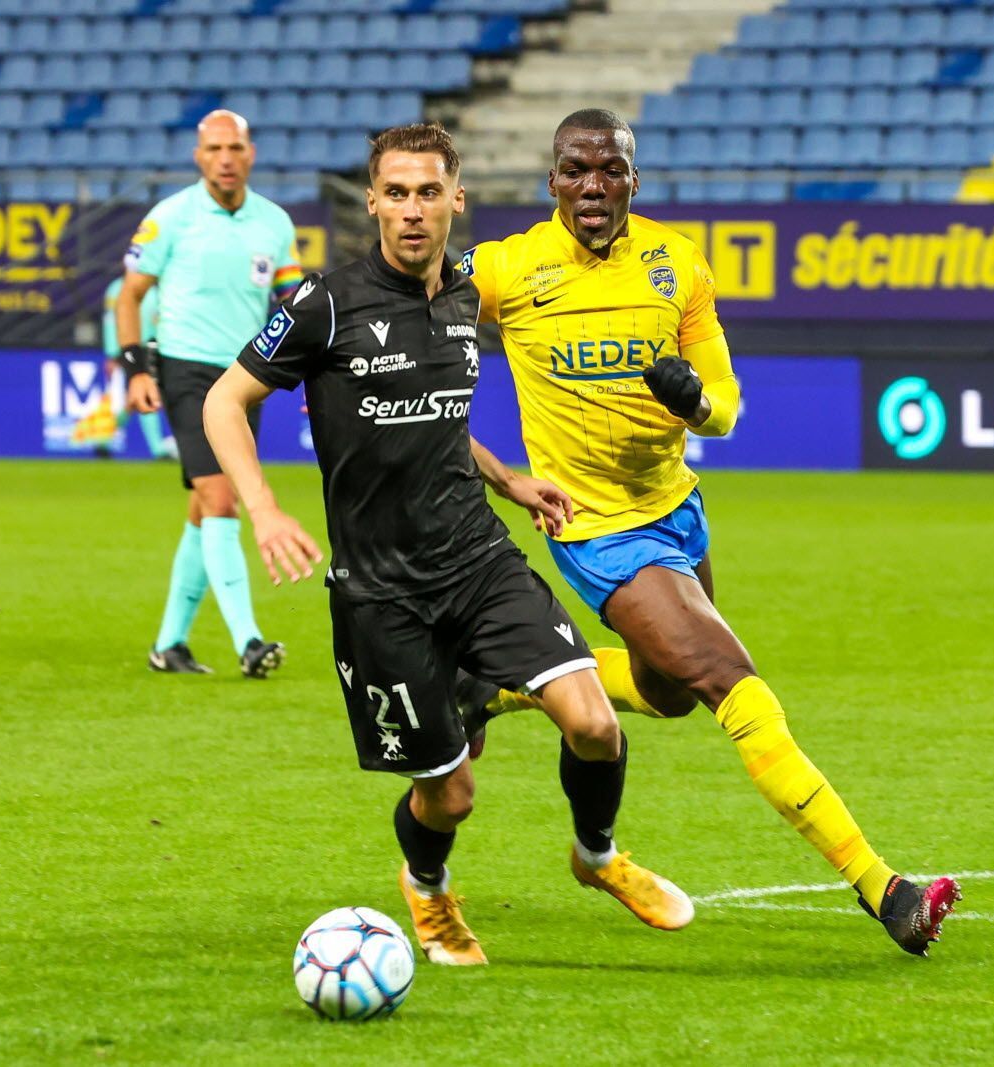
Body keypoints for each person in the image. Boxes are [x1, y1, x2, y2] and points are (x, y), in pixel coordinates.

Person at [458, 109, 960, 956]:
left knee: (665, 692)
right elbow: (403, 331)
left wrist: (693, 401)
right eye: (576, 170)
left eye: (609, 170)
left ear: (632, 182)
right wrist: (490, 467)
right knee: (731, 680)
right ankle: (885, 888)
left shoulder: (675, 263)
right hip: (597, 530)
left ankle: (496, 685)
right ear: (551, 181)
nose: (592, 185)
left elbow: (726, 405)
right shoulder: (504, 270)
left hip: (675, 509)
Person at [202, 123, 694, 967]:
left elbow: (438, 418)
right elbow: (223, 402)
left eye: (429, 192)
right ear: (372, 203)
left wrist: (510, 481)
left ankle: (597, 854)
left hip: (475, 557)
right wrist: (266, 510)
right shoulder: (323, 305)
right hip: (381, 592)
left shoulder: (467, 293)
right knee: (451, 792)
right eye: (396, 193)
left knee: (595, 722)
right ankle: (427, 892)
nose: (413, 210)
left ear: (456, 200)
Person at [116, 109, 300, 678]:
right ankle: (249, 641)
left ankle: (169, 644)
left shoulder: (275, 222)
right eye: (215, 148)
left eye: (235, 148)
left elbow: (294, 302)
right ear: (199, 156)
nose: (225, 158)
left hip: (247, 379)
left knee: (204, 509)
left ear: (250, 154)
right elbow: (130, 296)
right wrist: (137, 369)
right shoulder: (169, 218)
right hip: (186, 371)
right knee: (223, 499)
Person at [101, 280, 176, 460]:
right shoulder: (116, 289)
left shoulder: (158, 289)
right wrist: (113, 354)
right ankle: (157, 448)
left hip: (152, 348)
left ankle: (104, 438)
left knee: (139, 398)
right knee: (139, 398)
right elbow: (112, 322)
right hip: (128, 349)